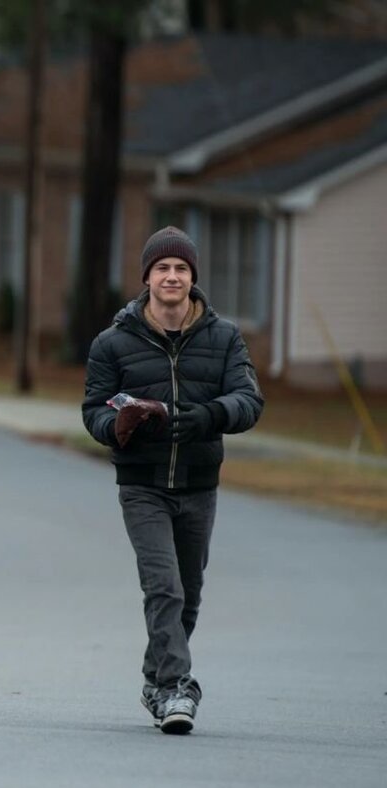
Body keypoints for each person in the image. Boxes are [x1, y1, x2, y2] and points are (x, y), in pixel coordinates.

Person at [82, 226, 264, 735]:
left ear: (193, 279)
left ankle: (155, 681)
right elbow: (93, 410)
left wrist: (205, 417)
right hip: (142, 485)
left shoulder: (223, 338)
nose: (172, 276)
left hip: (199, 483)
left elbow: (249, 402)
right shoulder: (113, 343)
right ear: (146, 278)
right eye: (162, 268)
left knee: (189, 592)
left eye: (181, 269)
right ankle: (178, 687)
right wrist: (118, 428)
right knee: (162, 586)